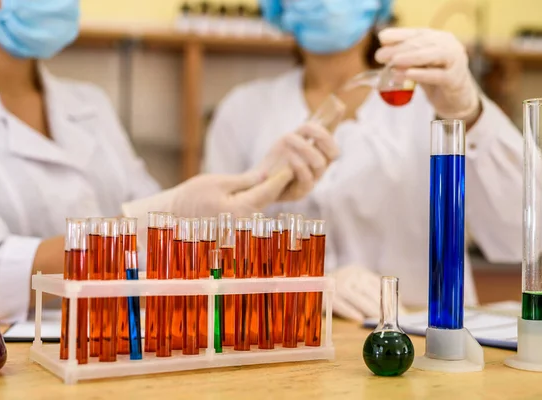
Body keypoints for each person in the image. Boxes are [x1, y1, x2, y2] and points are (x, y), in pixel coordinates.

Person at [0, 0, 338, 322]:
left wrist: (259, 182)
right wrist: (154, 222)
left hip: (114, 347)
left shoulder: (89, 105)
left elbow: (160, 226)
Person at [204, 0, 529, 321]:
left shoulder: (430, 101)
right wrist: (308, 286)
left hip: (424, 337)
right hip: (289, 337)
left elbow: (520, 235)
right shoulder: (243, 111)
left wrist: (470, 115)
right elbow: (213, 258)